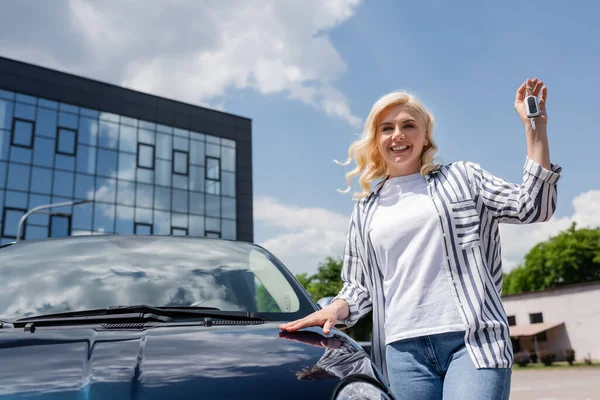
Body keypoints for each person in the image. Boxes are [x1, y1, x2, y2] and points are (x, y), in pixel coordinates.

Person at [280, 78, 561, 399]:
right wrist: (335, 308)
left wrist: (534, 128)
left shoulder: (463, 178)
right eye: (386, 128)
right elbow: (359, 288)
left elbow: (533, 207)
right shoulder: (366, 210)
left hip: (473, 341)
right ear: (376, 139)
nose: (397, 134)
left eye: (408, 125)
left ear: (425, 135)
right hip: (402, 351)